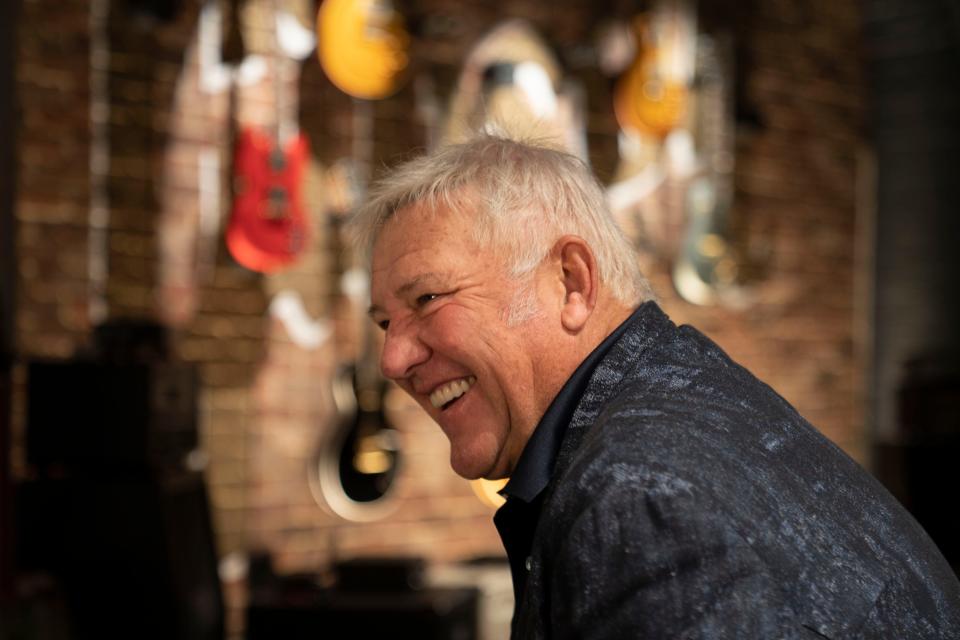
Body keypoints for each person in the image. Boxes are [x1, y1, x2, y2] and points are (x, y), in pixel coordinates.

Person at [355, 134, 960, 639]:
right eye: (385, 323)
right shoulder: (692, 404)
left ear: (571, 282)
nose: (393, 358)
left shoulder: (641, 496)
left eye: (428, 298)